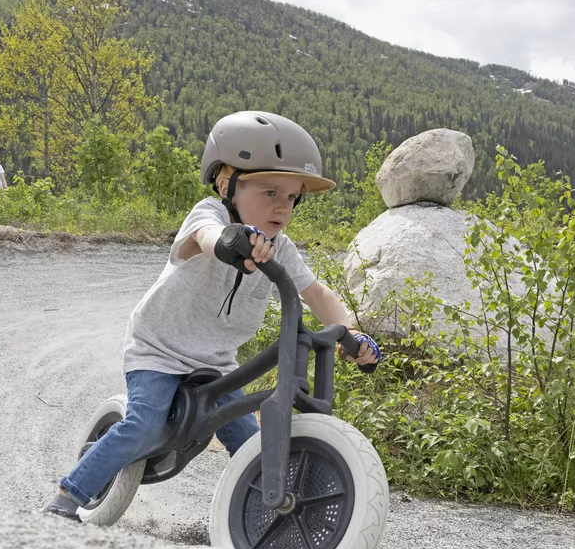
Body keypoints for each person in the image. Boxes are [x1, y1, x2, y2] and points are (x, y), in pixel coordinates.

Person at [43, 111, 380, 521]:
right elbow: (199, 239)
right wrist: (228, 241)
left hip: (216, 363)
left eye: (291, 197)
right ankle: (68, 496)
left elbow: (316, 293)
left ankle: (270, 513)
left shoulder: (281, 248)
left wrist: (353, 333)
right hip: (160, 350)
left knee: (248, 438)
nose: (282, 207)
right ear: (226, 185)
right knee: (146, 425)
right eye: (270, 192)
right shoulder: (211, 215)